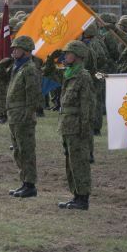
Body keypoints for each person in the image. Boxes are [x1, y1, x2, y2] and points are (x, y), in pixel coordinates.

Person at [44, 41, 94, 211]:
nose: (65, 56)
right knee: (71, 162)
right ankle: (76, 195)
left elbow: (87, 106)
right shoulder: (68, 73)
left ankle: (83, 198)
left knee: (80, 162)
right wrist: (52, 58)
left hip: (77, 127)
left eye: (68, 53)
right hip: (67, 125)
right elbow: (48, 73)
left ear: (78, 56)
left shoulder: (83, 76)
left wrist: (85, 130)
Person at [0, 35, 42, 198]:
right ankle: (24, 182)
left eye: (17, 48)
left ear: (27, 51)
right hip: (14, 115)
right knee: (18, 151)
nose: (13, 51)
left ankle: (30, 185)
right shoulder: (17, 67)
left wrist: (27, 115)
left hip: (23, 116)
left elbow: (33, 96)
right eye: (13, 48)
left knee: (26, 150)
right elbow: (0, 80)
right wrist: (2, 65)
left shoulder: (29, 69)